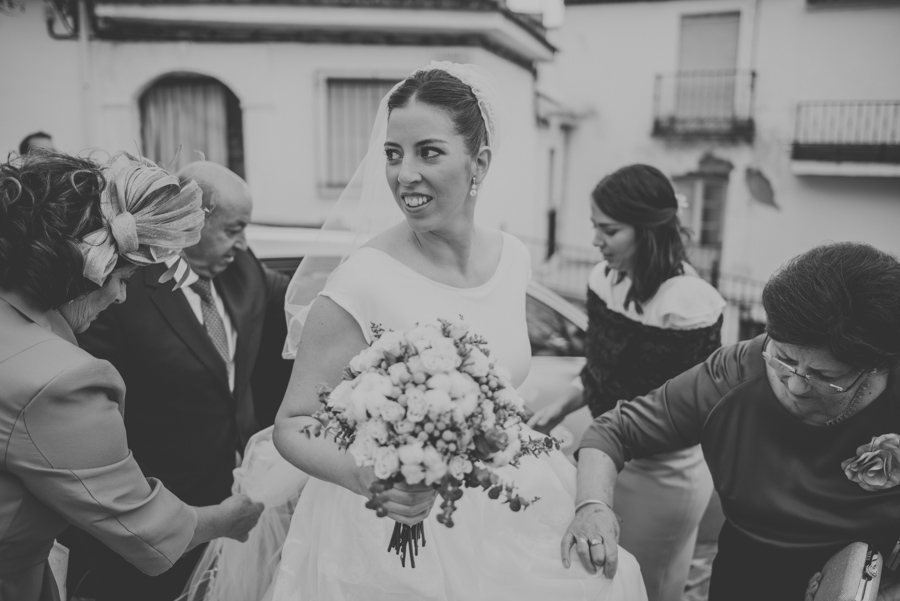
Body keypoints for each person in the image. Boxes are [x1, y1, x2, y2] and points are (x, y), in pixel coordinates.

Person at [266, 62, 647, 601]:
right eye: (393, 155)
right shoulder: (362, 279)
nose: (404, 175)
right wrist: (371, 479)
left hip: (507, 506)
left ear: (479, 163)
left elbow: (501, 396)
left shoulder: (513, 259)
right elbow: (293, 423)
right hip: (394, 529)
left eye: (429, 152)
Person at [564, 242, 900, 601]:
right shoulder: (735, 373)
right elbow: (613, 430)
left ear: (875, 365)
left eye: (825, 376)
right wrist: (592, 507)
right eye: (784, 359)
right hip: (745, 577)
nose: (798, 385)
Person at [0, 150, 264, 601]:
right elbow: (144, 528)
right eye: (121, 275)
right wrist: (228, 518)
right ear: (83, 269)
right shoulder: (60, 380)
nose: (122, 294)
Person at [73, 161, 291, 601]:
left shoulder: (242, 270)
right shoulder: (118, 293)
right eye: (234, 228)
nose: (243, 243)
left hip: (238, 504)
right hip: (155, 520)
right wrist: (159, 518)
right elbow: (97, 424)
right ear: (196, 219)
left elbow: (294, 296)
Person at [529, 164, 724, 601]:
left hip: (664, 471)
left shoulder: (688, 302)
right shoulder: (603, 279)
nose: (596, 240)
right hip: (604, 457)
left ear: (649, 231)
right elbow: (601, 369)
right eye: (595, 227)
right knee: (598, 578)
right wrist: (561, 407)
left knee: (650, 584)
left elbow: (690, 408)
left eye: (610, 230)